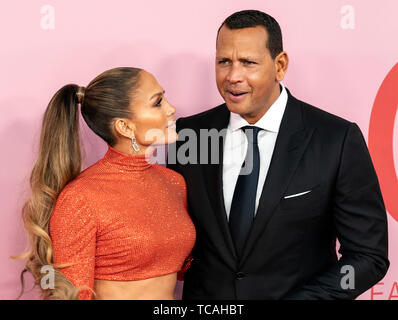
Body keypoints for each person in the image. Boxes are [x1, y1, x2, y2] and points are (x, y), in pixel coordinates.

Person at [167, 10, 389, 299]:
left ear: (280, 65)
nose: (233, 76)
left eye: (248, 63)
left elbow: (368, 258)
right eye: (224, 62)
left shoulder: (335, 139)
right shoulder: (190, 134)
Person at [16, 67, 196, 300]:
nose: (171, 109)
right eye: (158, 102)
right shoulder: (80, 197)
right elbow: (71, 295)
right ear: (125, 127)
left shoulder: (174, 183)